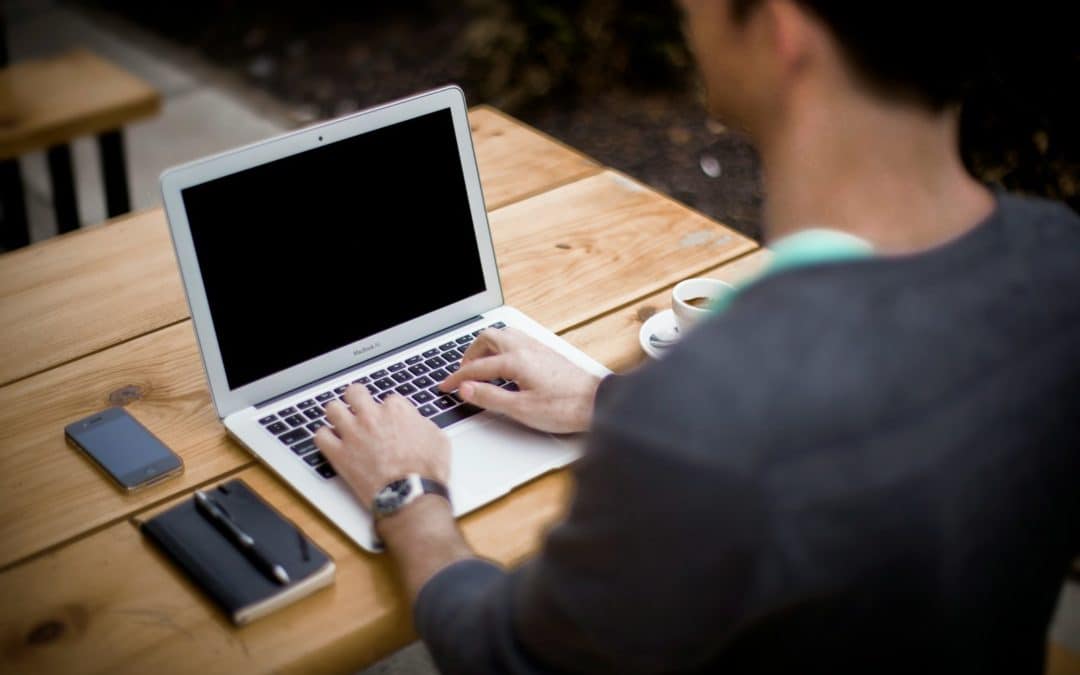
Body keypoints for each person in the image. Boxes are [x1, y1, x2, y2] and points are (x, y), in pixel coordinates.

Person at [314, 1, 1080, 672]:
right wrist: (604, 397)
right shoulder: (1058, 263)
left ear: (781, 31)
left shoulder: (710, 412)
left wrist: (409, 493)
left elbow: (503, 656)